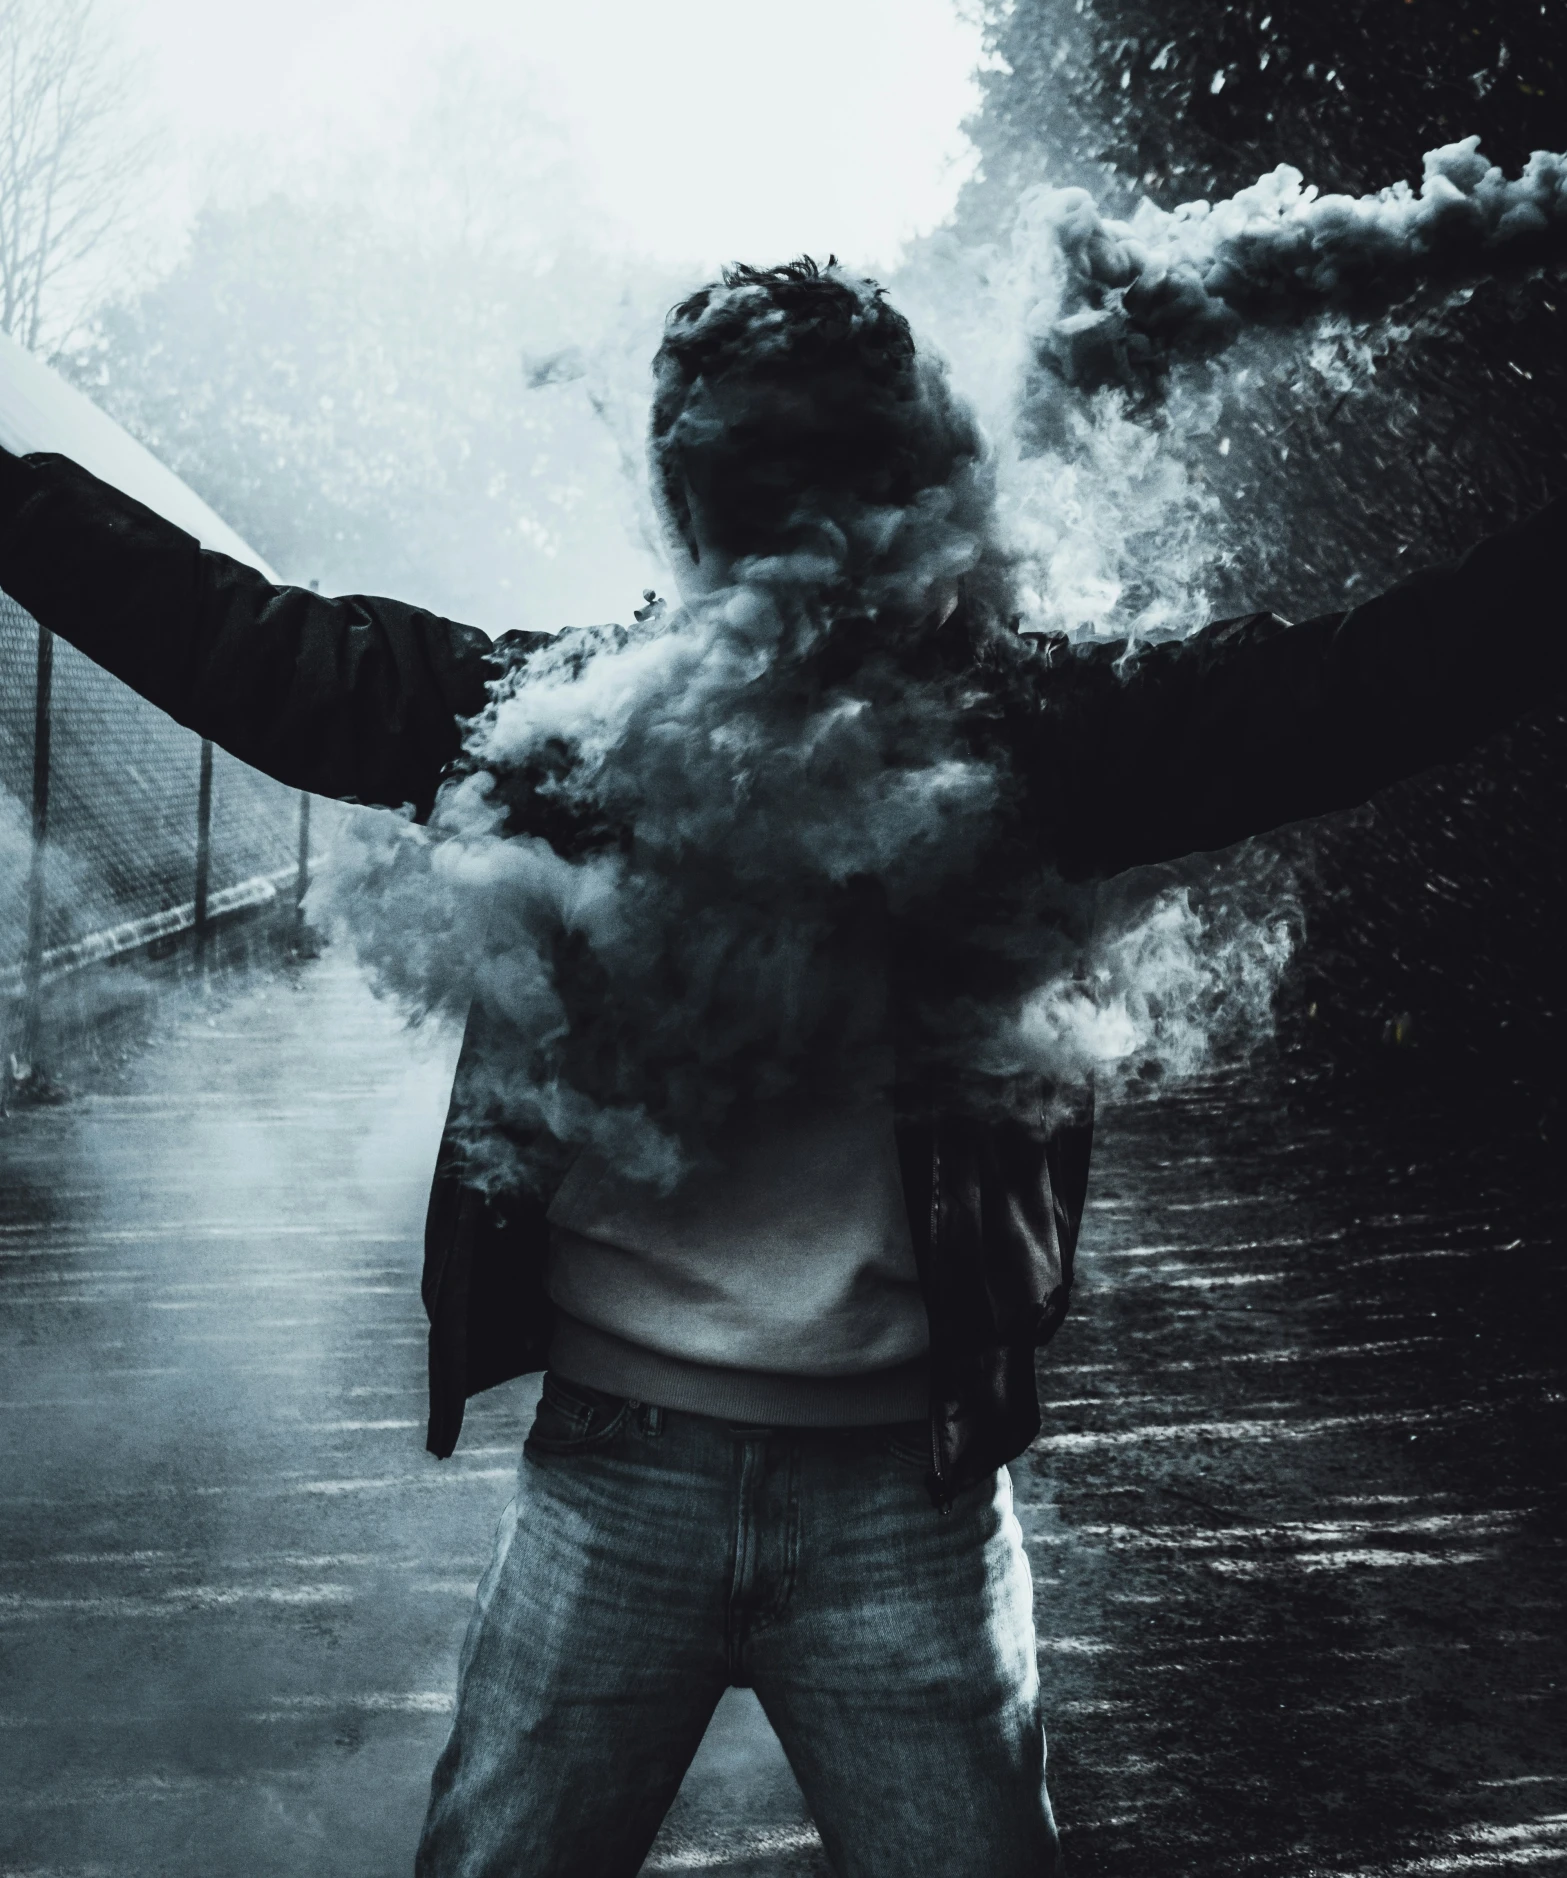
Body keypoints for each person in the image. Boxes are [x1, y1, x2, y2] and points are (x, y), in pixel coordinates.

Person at [0, 258, 1561, 1878]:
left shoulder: (1023, 732)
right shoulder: (570, 721)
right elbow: (256, 652)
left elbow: (1377, 681)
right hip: (615, 1486)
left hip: (908, 1506)